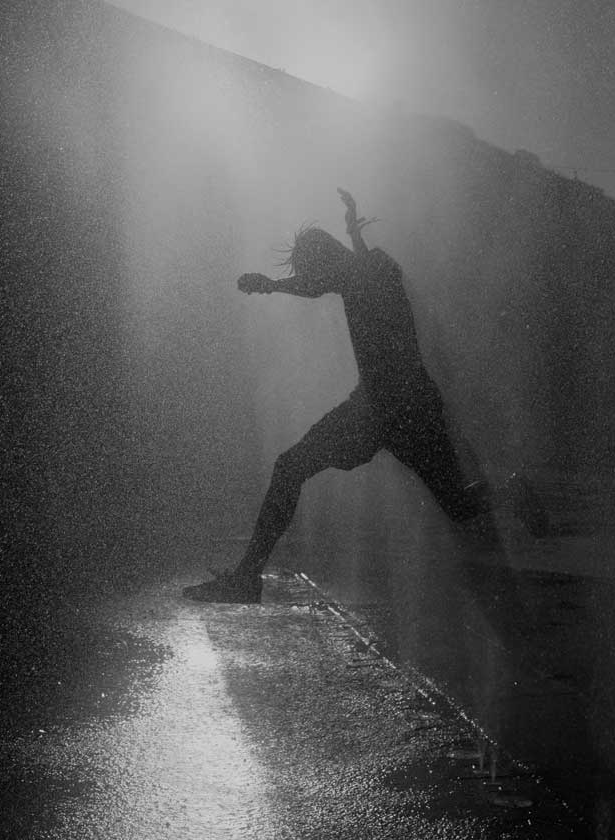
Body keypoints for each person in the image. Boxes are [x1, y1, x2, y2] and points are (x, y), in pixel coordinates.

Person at [184, 189, 545, 603]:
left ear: (324, 261)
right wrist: (351, 238)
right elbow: (331, 278)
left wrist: (270, 285)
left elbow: (320, 282)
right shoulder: (375, 267)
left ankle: (246, 578)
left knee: (290, 468)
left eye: (311, 267)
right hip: (415, 405)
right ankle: (510, 492)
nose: (314, 278)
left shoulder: (358, 272)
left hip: (379, 408)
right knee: (459, 505)